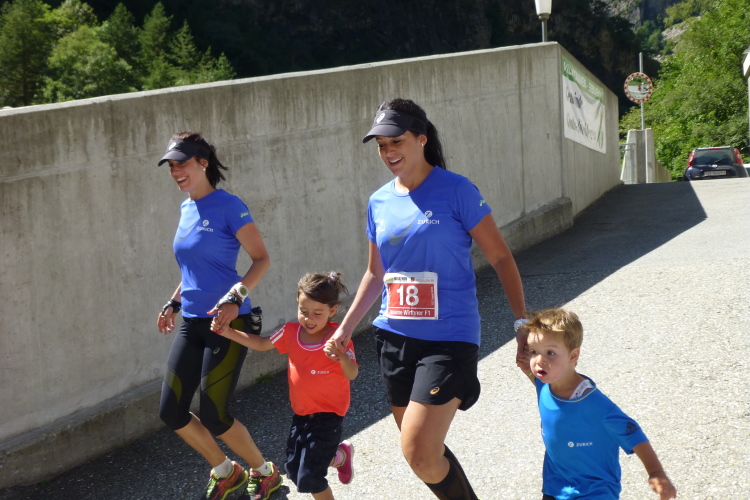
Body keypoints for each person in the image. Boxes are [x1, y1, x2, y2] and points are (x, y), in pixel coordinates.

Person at [326, 98, 528, 500]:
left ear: (421, 139)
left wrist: (522, 322)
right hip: (394, 337)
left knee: (418, 449)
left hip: (448, 338)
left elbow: (501, 257)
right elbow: (375, 273)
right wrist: (345, 329)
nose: (389, 152)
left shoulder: (457, 190)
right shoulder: (379, 201)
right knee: (421, 454)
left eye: (396, 141)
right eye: (382, 146)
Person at [155, 132, 281, 500]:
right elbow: (193, 270)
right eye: (171, 166)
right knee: (171, 411)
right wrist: (173, 303)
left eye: (182, 163)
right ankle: (226, 471)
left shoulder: (229, 205)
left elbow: (261, 259)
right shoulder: (186, 209)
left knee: (214, 414)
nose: (176, 171)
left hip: (230, 322)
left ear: (203, 163)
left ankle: (264, 472)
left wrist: (234, 299)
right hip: (193, 321)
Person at [215, 271, 358, 500]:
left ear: (332, 311)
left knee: (310, 478)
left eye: (317, 313)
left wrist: (342, 357)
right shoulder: (290, 332)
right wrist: (228, 331)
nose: (309, 318)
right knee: (293, 469)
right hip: (302, 413)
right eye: (303, 311)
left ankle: (331, 459)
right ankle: (338, 456)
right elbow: (262, 344)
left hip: (329, 416)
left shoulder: (338, 338)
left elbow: (352, 373)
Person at [515, 308, 677, 500]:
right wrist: (526, 367)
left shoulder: (593, 403)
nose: (539, 360)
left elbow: (633, 433)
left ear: (573, 356)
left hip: (594, 490)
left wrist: (656, 472)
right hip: (555, 484)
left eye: (550, 353)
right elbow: (541, 387)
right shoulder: (545, 384)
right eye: (534, 351)